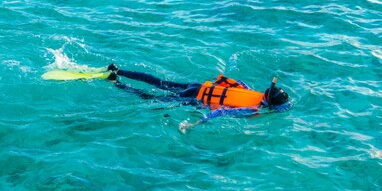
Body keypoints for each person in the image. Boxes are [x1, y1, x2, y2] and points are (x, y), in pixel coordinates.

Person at [106, 63, 290, 124]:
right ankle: (116, 83)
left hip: (197, 87)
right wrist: (197, 122)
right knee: (151, 99)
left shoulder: (251, 92)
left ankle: (118, 70)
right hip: (195, 98)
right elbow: (221, 112)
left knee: (157, 82)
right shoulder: (251, 109)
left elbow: (238, 83)